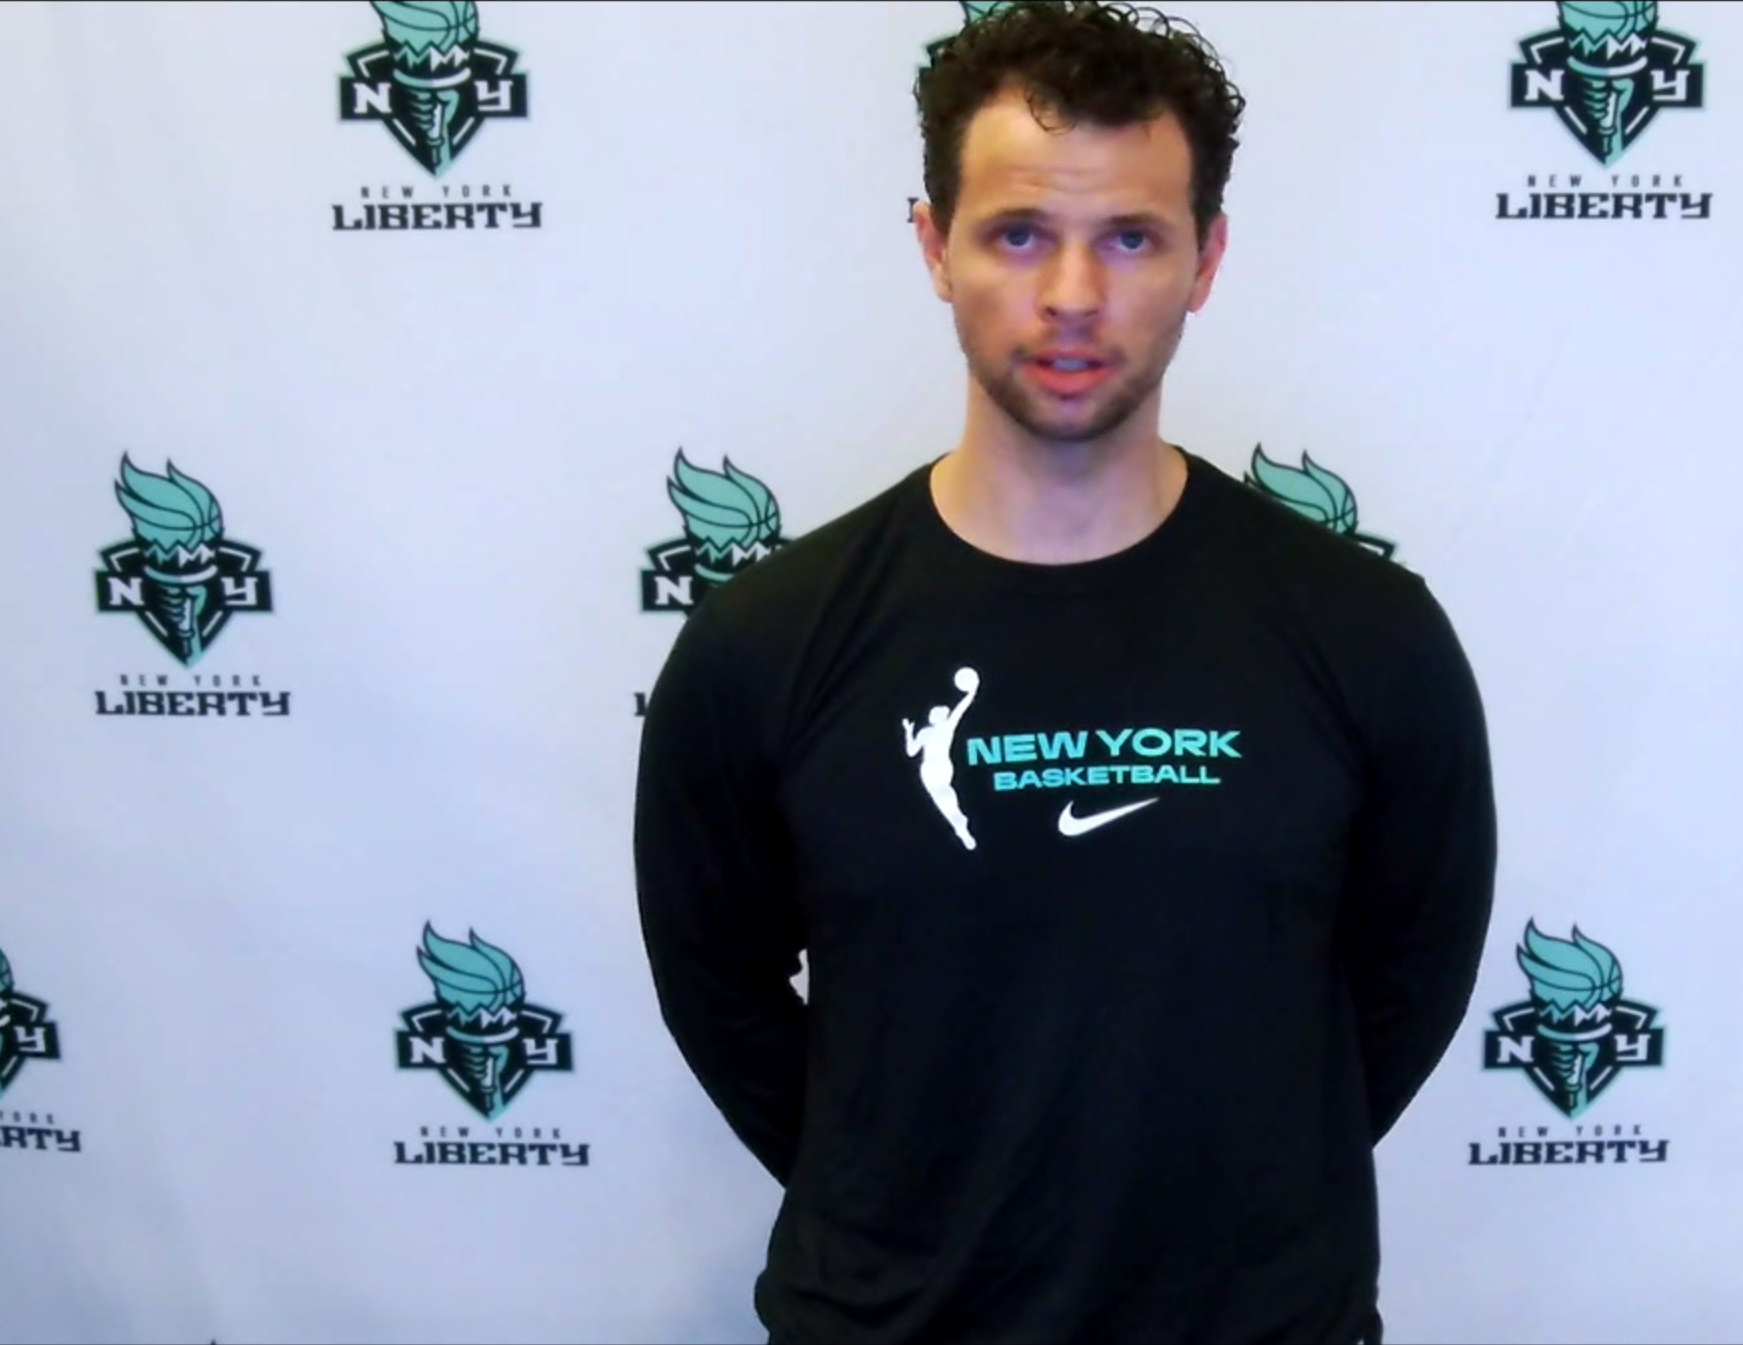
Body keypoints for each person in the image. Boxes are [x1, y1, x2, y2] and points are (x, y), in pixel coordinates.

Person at [631, 3, 1498, 1341]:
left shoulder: (1364, 633)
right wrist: (903, 1189)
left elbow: (1403, 985)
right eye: (1019, 232)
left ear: (1205, 259)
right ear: (933, 246)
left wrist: (1241, 1203)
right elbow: (720, 993)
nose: (1073, 296)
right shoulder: (768, 644)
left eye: (1131, 238)